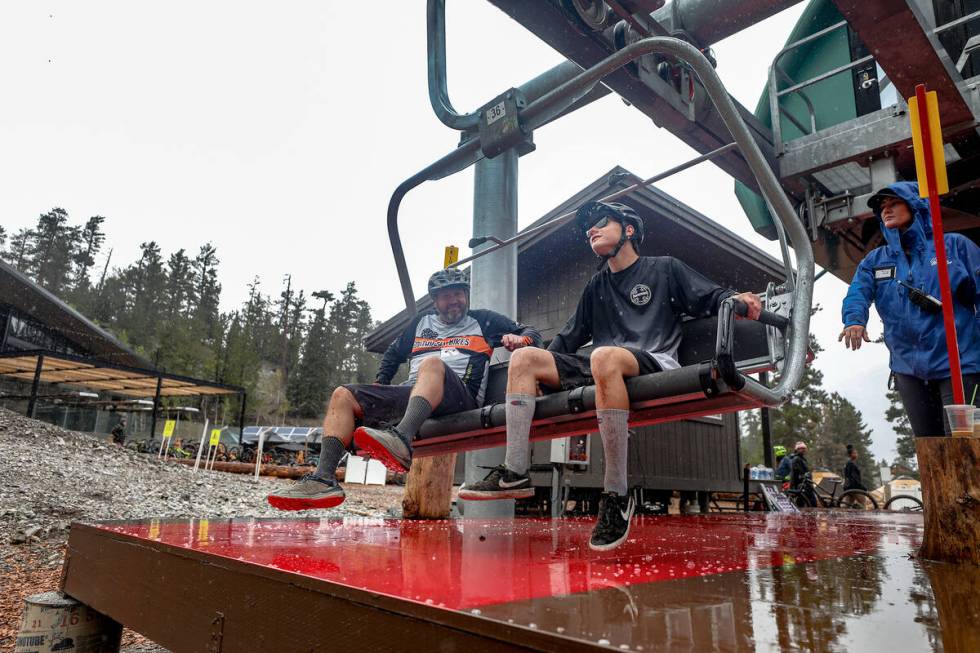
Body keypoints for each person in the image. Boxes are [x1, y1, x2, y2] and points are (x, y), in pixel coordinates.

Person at [455, 200, 764, 550]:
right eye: (588, 227)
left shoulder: (664, 269)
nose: (591, 230)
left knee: (603, 355)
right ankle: (515, 472)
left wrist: (737, 298)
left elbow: (711, 297)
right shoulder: (596, 286)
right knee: (526, 358)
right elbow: (568, 339)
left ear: (629, 229)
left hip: (652, 359)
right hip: (603, 366)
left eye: (601, 222)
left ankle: (617, 494)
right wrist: (539, 364)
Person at [266, 268, 541, 510]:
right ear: (435, 301)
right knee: (343, 395)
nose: (454, 301)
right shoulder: (420, 324)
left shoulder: (484, 320)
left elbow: (532, 332)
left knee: (432, 364)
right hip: (417, 394)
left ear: (466, 296)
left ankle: (401, 439)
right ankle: (323, 479)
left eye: (459, 294)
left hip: (460, 397)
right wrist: (381, 383)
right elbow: (393, 353)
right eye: (447, 296)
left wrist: (521, 338)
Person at [840, 181, 980, 436]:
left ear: (915, 206)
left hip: (959, 365)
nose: (886, 210)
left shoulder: (953, 246)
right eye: (882, 207)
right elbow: (858, 292)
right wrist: (854, 320)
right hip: (908, 369)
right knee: (929, 449)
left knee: (964, 447)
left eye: (894, 204)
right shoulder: (876, 260)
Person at [789, 441, 816, 507]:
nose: (804, 450)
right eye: (801, 448)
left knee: (808, 502)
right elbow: (796, 474)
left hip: (807, 484)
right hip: (802, 485)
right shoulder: (796, 459)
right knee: (810, 502)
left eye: (804, 448)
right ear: (797, 449)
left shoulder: (802, 459)